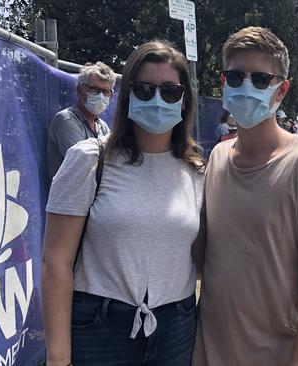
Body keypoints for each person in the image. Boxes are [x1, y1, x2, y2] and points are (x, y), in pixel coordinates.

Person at [42, 40, 205, 366]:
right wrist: (58, 355)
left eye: (170, 91)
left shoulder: (197, 170)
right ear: (128, 94)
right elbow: (55, 262)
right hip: (100, 327)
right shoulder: (89, 159)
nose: (157, 99)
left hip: (177, 326)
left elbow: (201, 259)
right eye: (144, 89)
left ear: (184, 100)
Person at [193, 27, 298, 366]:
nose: (246, 86)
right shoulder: (217, 157)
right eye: (235, 76)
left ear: (282, 90)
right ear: (223, 81)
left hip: (273, 353)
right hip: (208, 347)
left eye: (261, 79)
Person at [47, 61, 115, 180]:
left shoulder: (102, 125)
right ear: (79, 90)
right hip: (71, 196)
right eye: (94, 90)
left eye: (106, 91)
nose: (101, 96)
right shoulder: (66, 120)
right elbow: (85, 165)